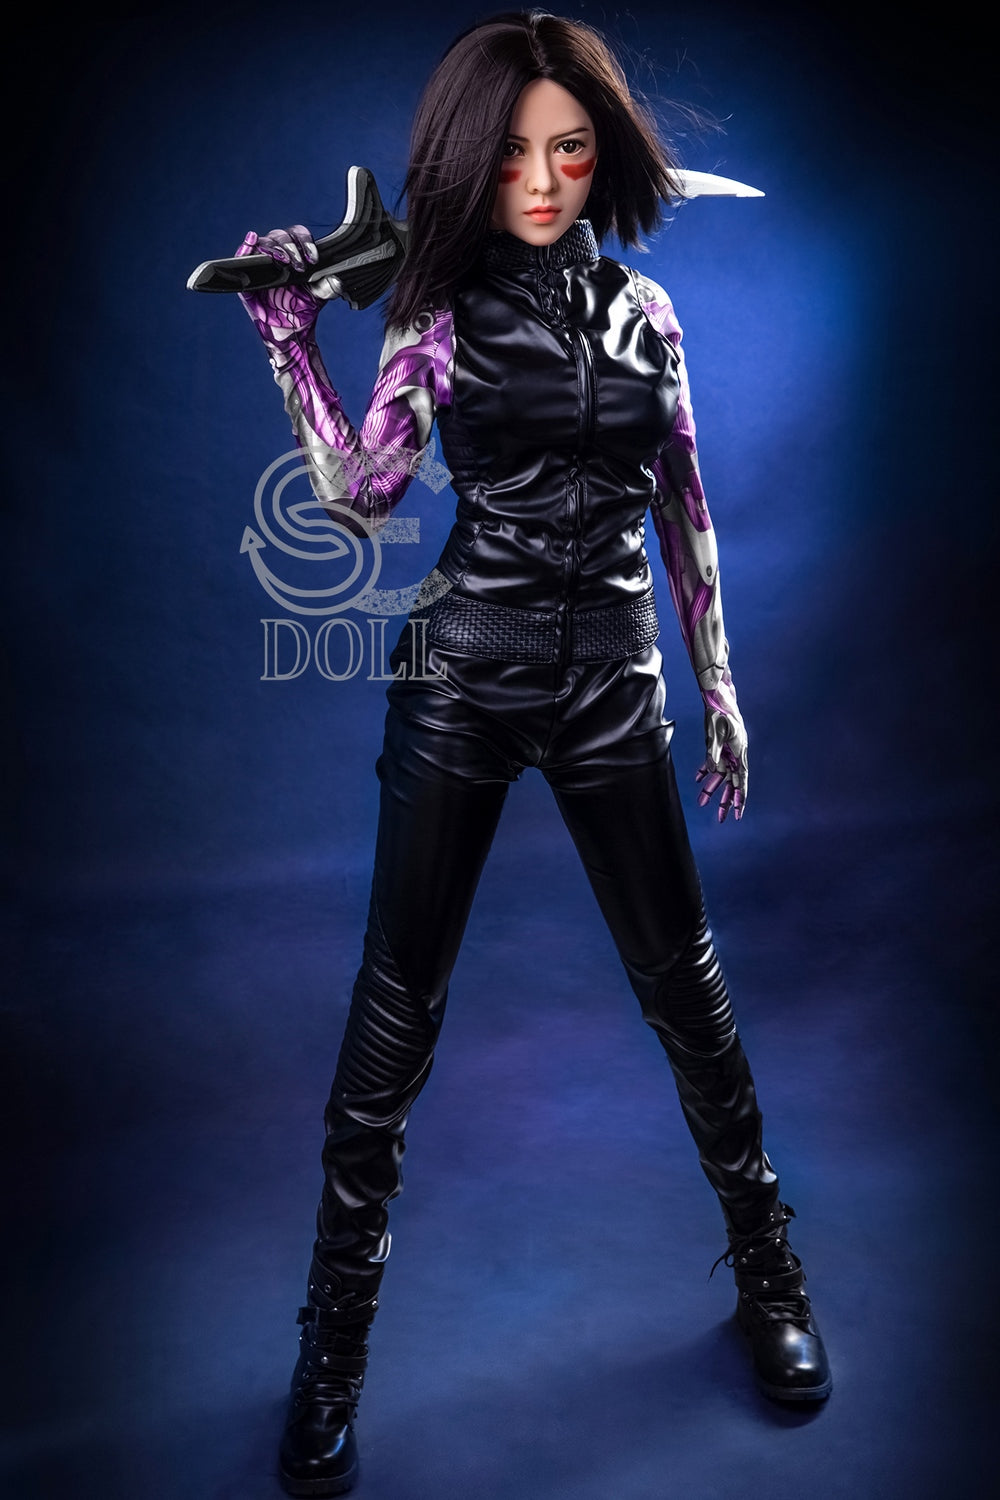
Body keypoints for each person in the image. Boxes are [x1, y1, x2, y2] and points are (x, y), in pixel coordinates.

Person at [232, 11, 831, 1495]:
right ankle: (332, 1350)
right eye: (514, 155)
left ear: (601, 156)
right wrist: (289, 338)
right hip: (465, 682)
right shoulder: (434, 312)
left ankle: (771, 1274)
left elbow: (684, 494)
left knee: (687, 991)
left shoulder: (648, 314)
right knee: (395, 1019)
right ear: (471, 163)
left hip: (614, 680)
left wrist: (719, 680)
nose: (547, 181)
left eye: (571, 151)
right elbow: (363, 494)